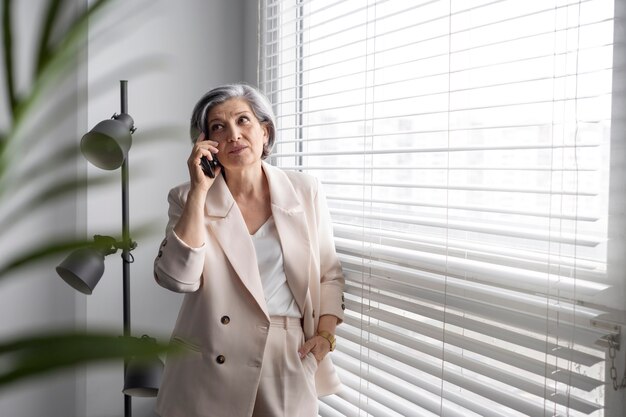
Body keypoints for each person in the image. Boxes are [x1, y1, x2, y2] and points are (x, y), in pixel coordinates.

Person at [153, 83, 345, 417]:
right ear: (205, 143)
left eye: (243, 121)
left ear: (265, 132)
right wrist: (200, 191)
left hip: (288, 354)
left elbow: (329, 274)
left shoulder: (304, 190)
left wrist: (325, 338)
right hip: (212, 357)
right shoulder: (186, 197)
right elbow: (177, 279)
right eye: (218, 127)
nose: (233, 135)